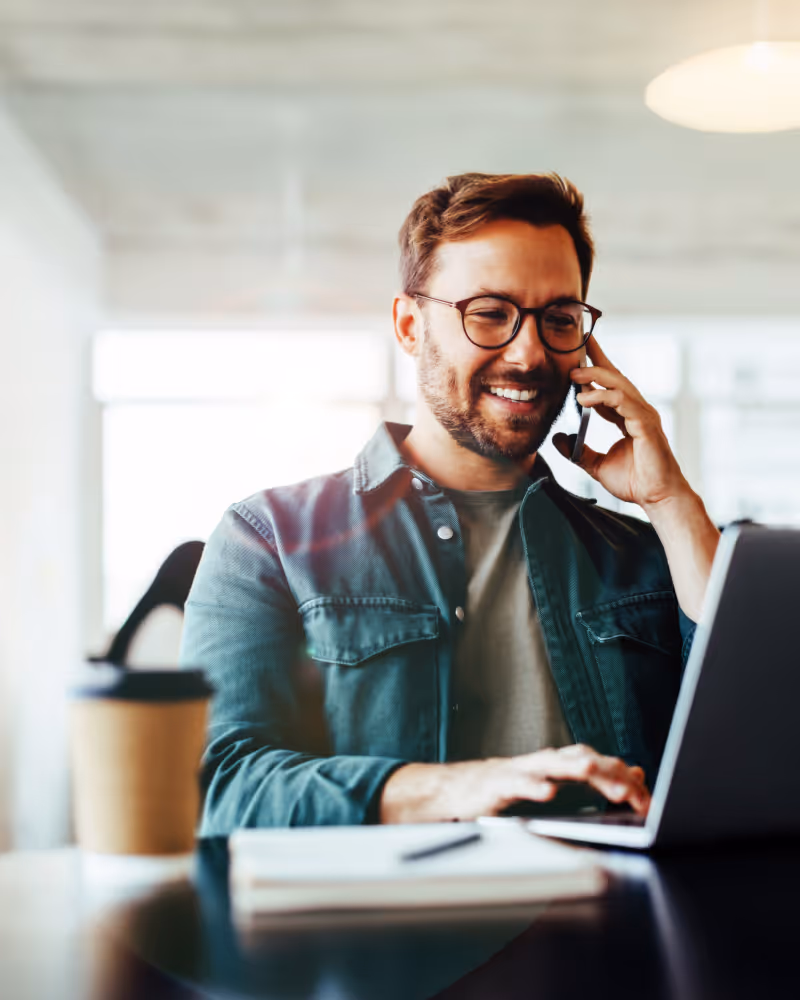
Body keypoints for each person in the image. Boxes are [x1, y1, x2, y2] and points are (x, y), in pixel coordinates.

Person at [180, 172, 720, 832]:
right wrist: (463, 788)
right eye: (489, 313)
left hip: (615, 927)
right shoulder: (268, 539)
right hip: (387, 930)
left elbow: (755, 750)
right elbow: (218, 787)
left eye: (558, 320)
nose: (529, 353)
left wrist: (671, 502)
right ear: (410, 325)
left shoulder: (641, 554)